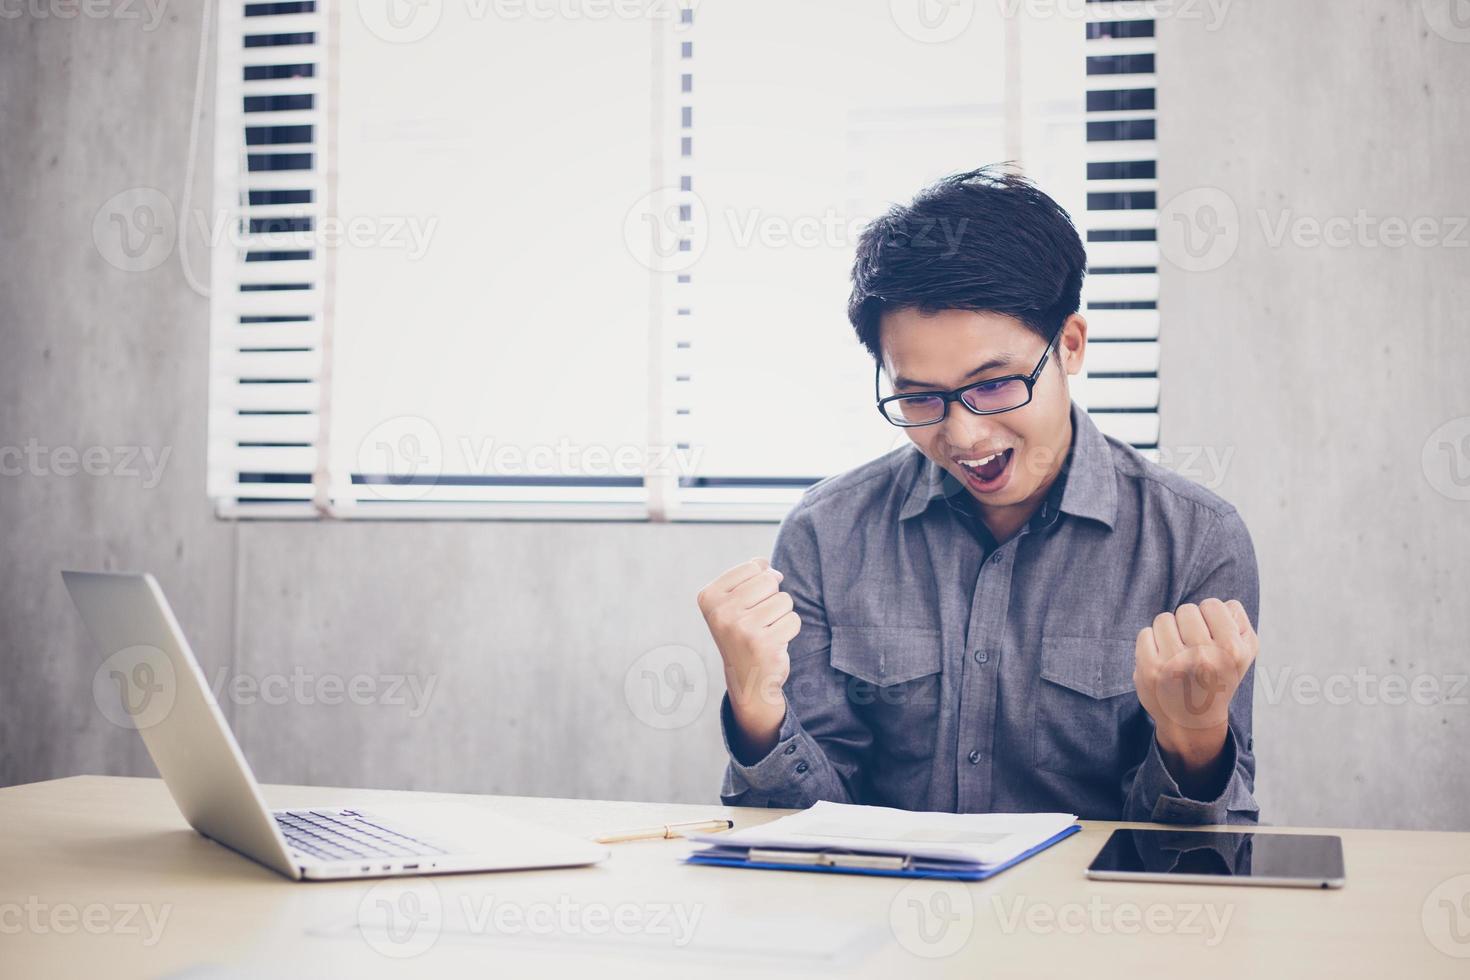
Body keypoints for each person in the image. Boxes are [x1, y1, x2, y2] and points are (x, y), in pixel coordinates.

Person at [697, 167, 1260, 823]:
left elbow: (1204, 857)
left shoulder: (1195, 540)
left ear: (1070, 346)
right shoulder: (827, 533)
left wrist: (1193, 741)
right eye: (919, 397)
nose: (962, 434)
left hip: (1093, 921)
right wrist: (757, 705)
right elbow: (809, 831)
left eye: (993, 385)